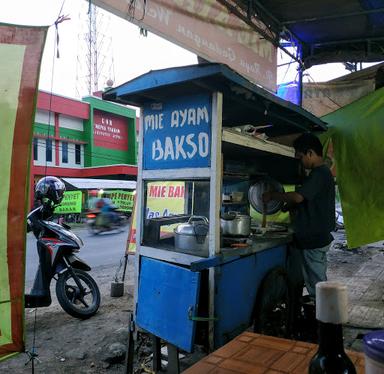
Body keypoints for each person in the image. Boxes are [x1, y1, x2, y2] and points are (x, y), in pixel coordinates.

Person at [262, 132, 335, 301]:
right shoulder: (320, 174)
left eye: (300, 157)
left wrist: (273, 195)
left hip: (314, 239)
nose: (300, 161)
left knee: (318, 285)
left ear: (310, 153)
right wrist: (292, 206)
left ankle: (323, 321)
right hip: (313, 238)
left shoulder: (319, 174)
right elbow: (308, 200)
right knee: (314, 282)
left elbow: (298, 196)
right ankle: (319, 316)